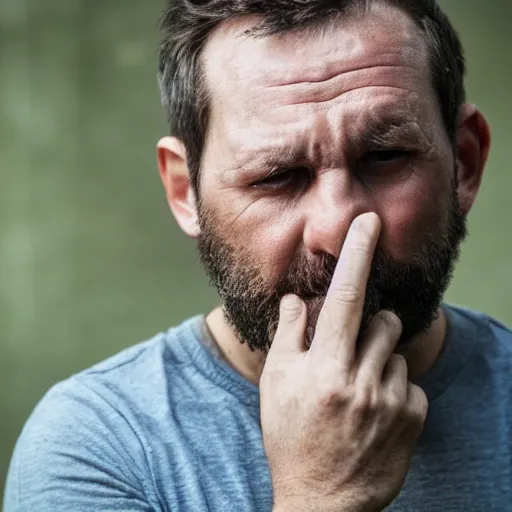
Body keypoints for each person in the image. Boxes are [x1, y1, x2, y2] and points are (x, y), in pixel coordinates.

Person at [4, 0, 511, 510]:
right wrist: (320, 495)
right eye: (276, 176)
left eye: (386, 157)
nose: (336, 229)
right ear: (186, 191)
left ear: (463, 164)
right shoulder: (97, 446)